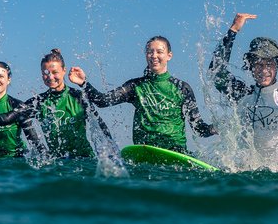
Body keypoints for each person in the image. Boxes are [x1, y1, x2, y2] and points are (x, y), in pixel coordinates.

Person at [208, 12, 278, 170]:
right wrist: (233, 30)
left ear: (277, 66)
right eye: (258, 64)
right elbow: (216, 73)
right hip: (248, 172)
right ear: (251, 66)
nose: (264, 70)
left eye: (269, 64)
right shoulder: (243, 95)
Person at [68, 36, 217, 154]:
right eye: (150, 52)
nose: (154, 55)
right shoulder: (135, 86)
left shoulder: (182, 88)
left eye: (159, 51)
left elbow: (199, 129)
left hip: (175, 153)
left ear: (169, 55)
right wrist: (84, 83)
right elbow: (103, 101)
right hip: (145, 151)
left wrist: (220, 128)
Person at [0, 49, 112, 159]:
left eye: (54, 72)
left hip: (84, 160)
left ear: (64, 71)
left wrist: (112, 153)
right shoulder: (37, 102)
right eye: (45, 73)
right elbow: (7, 118)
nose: (50, 77)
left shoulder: (79, 97)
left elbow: (100, 126)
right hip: (58, 164)